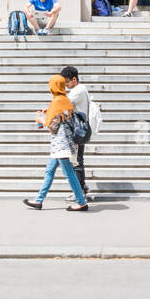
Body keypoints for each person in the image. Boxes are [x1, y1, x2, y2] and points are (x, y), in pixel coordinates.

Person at [23, 74, 89, 211]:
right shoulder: (65, 100)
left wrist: (40, 120)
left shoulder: (57, 101)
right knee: (49, 171)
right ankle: (39, 200)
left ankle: (81, 202)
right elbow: (61, 120)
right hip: (61, 144)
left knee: (69, 174)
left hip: (61, 145)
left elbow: (53, 126)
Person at [63, 66, 93, 201]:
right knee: (78, 160)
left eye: (67, 82)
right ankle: (82, 188)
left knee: (76, 161)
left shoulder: (78, 91)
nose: (66, 85)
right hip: (80, 129)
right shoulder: (81, 89)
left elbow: (64, 104)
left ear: (74, 79)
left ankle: (80, 192)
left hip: (78, 129)